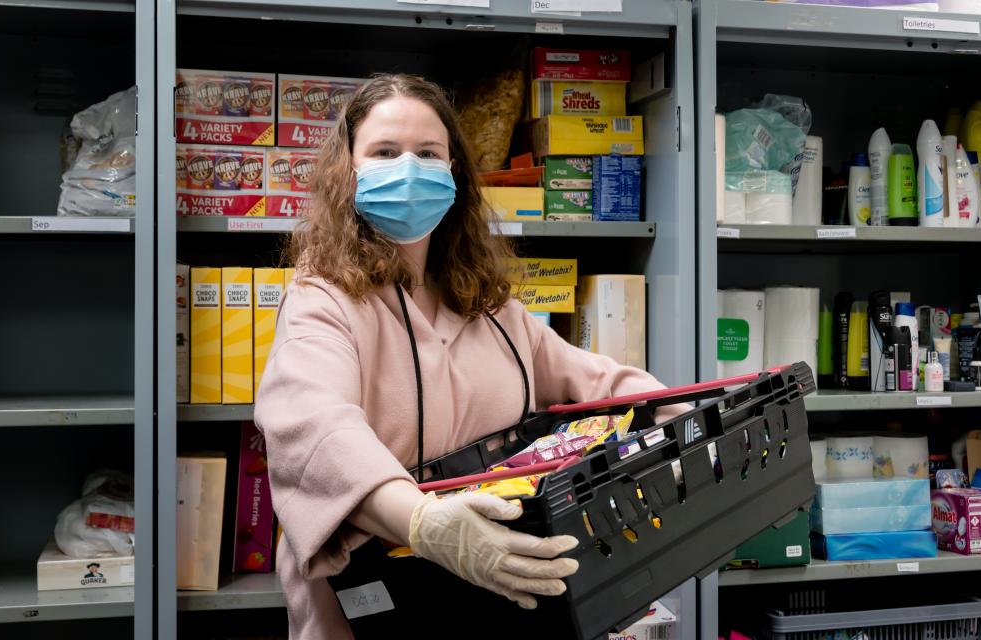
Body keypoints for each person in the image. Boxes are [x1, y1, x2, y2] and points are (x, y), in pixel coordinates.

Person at [254, 74, 685, 640]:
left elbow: (594, 379)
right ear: (348, 171)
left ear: (453, 170)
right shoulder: (324, 299)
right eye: (385, 152)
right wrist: (423, 522)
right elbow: (315, 429)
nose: (408, 168)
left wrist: (681, 419)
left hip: (498, 601)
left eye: (427, 153)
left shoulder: (485, 304)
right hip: (374, 612)